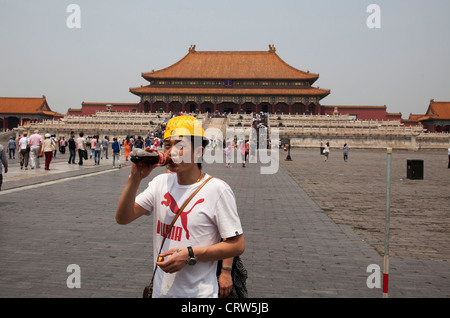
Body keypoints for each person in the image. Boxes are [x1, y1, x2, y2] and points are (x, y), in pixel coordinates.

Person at [116, 115, 244, 298]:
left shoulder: (217, 190)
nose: (172, 151)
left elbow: (237, 245)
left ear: (199, 152)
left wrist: (190, 254)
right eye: (168, 145)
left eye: (180, 145)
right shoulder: (160, 183)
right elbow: (123, 218)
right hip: (161, 292)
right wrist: (134, 179)